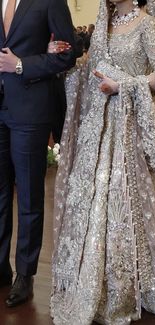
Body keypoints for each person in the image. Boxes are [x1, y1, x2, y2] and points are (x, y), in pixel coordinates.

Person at [50, 0, 155, 324]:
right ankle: (105, 283)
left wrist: (124, 86)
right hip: (103, 130)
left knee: (129, 204)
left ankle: (145, 285)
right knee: (102, 207)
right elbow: (90, 72)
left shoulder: (147, 25)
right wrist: (62, 58)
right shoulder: (104, 27)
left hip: (133, 131)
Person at [0, 0, 75, 308]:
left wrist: (21, 65)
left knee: (29, 195)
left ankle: (25, 274)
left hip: (30, 109)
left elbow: (68, 54)